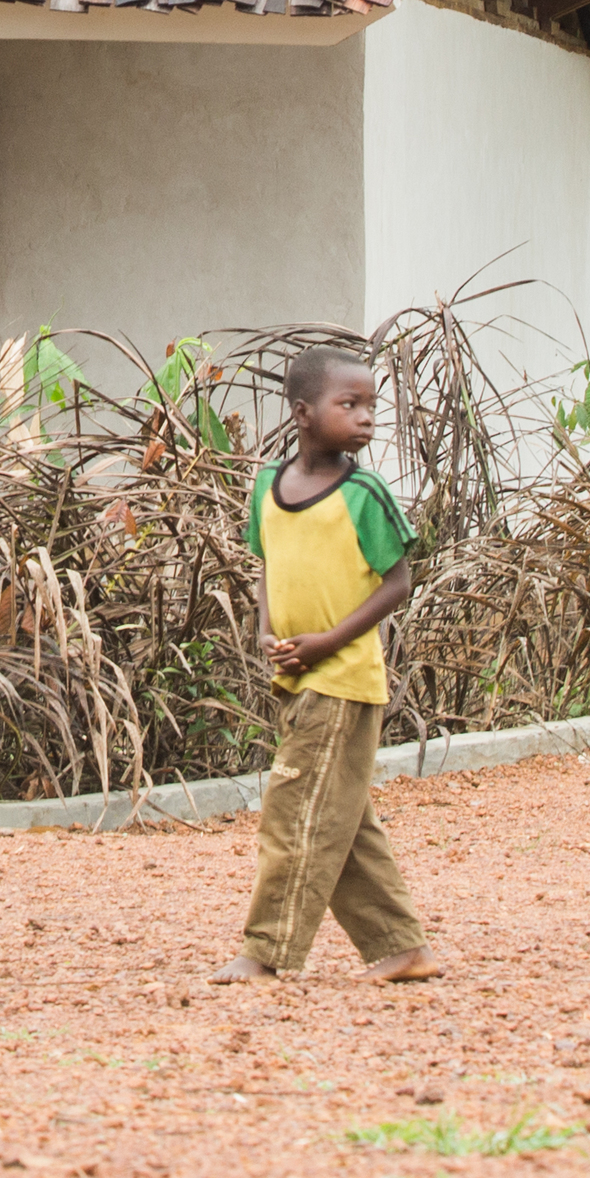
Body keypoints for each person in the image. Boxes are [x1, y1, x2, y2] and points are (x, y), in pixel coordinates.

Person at [215, 345, 438, 984]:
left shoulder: (364, 492)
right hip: (294, 674)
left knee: (295, 812)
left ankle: (266, 950)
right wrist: (266, 633)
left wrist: (326, 642)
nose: (368, 417)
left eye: (372, 406)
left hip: (342, 681)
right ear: (304, 412)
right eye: (351, 405)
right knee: (341, 818)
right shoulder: (268, 485)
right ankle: (402, 946)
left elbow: (397, 583)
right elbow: (269, 568)